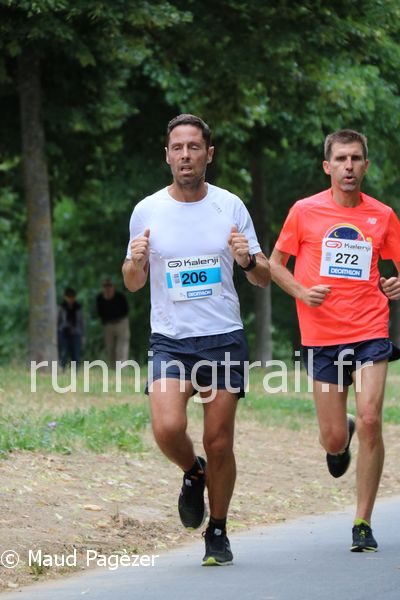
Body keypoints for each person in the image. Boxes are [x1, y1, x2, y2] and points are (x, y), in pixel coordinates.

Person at [122, 113, 270, 565]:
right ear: (167, 156)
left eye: (193, 147)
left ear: (209, 154)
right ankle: (193, 472)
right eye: (177, 148)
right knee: (167, 428)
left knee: (219, 441)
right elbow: (132, 282)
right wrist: (135, 262)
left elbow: (263, 277)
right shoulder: (147, 210)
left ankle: (218, 530)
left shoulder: (230, 206)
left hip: (222, 338)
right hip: (171, 339)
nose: (185, 155)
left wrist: (247, 261)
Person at [270, 129, 400, 553]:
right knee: (333, 438)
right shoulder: (304, 211)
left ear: (366, 165)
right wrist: (301, 292)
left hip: (370, 330)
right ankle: (341, 435)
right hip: (322, 336)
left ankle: (362, 521)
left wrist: (396, 285)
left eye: (356, 158)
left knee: (371, 419)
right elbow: (275, 264)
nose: (349, 166)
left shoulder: (382, 215)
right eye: (341, 159)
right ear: (327, 166)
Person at [96, 278, 130, 365]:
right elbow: (100, 312)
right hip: (108, 325)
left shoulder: (120, 297)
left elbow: (126, 310)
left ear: (113, 287)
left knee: (121, 347)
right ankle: (112, 367)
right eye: (105, 286)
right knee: (110, 347)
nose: (107, 288)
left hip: (121, 323)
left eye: (109, 285)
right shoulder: (100, 298)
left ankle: (122, 367)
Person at [58, 287, 83, 369]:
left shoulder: (78, 307)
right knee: (63, 353)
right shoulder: (61, 307)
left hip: (76, 333)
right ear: (65, 297)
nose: (70, 299)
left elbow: (81, 322)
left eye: (72, 296)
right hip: (63, 333)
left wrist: (82, 335)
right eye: (68, 296)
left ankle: (75, 371)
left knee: (75, 354)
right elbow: (58, 321)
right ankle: (62, 370)